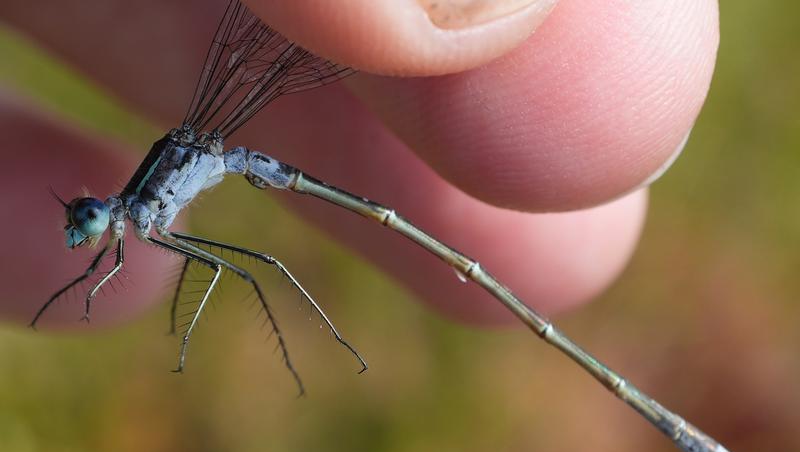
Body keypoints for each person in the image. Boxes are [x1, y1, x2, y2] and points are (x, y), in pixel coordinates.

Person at [0, 0, 719, 327]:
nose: (87, 226)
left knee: (255, 266)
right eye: (87, 219)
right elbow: (114, 263)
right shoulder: (133, 220)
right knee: (244, 265)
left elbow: (153, 262)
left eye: (86, 218)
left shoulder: (138, 209)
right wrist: (90, 285)